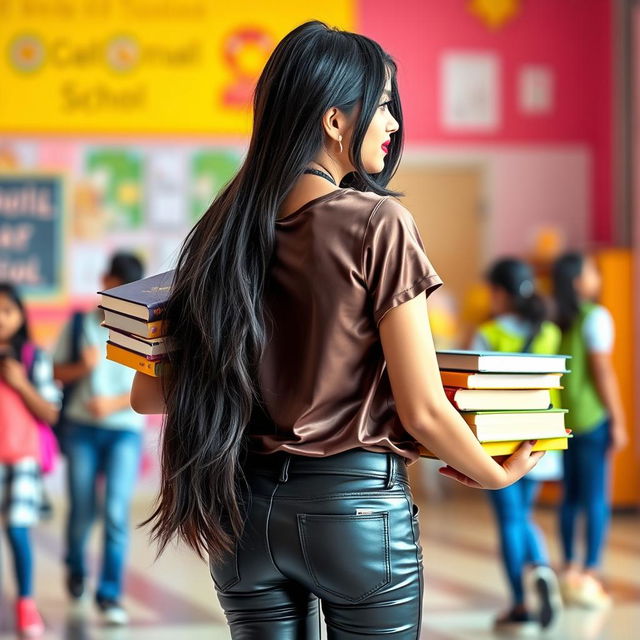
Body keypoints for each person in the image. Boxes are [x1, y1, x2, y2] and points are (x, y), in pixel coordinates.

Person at [129, 21, 544, 639]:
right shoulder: (378, 223)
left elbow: (149, 394)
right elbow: (423, 409)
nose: (394, 124)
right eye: (381, 106)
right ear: (334, 121)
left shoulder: (221, 232)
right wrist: (495, 472)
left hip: (240, 514)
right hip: (354, 514)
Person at [471, 258, 564, 634]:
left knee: (510, 520)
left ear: (500, 293)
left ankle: (520, 604)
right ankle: (541, 567)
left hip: (500, 441)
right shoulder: (549, 332)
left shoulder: (489, 333)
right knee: (523, 515)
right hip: (543, 437)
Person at [52, 252, 145, 625]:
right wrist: (82, 367)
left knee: (115, 513)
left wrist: (112, 403)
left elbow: (157, 384)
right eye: (115, 283)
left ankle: (109, 594)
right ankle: (75, 566)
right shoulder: (78, 324)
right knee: (81, 509)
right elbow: (55, 370)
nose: (120, 291)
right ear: (105, 280)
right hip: (81, 430)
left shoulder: (144, 329)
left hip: (124, 431)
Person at [551, 252, 628, 609]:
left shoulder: (558, 318)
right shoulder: (596, 317)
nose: (596, 276)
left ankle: (568, 568)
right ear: (578, 281)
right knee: (596, 498)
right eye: (591, 271)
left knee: (569, 497)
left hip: (563, 418)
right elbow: (602, 371)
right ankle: (592, 571)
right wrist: (619, 419)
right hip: (592, 418)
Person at [0, 283, 60, 637]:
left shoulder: (33, 357)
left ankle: (25, 603)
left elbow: (50, 413)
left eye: (6, 310)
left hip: (21, 458)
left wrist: (20, 383)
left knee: (18, 530)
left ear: (21, 315)